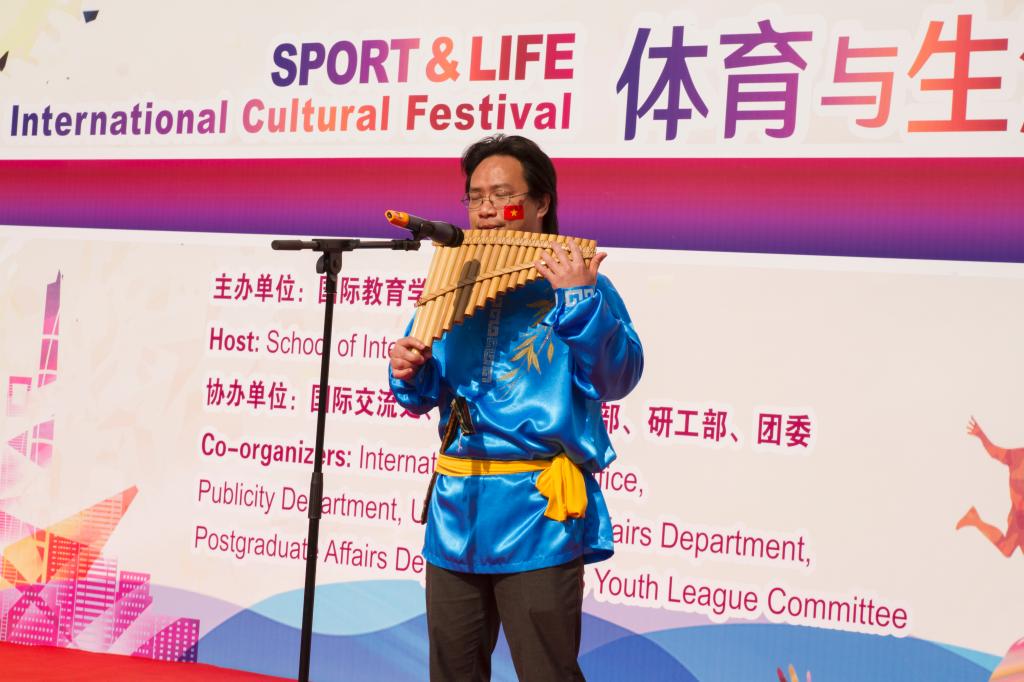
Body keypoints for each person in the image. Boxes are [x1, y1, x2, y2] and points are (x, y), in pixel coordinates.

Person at [388, 134, 644, 681]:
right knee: (452, 672)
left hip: (537, 512)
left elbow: (617, 378)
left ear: (541, 202)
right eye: (475, 197)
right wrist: (408, 368)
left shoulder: (587, 286)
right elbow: (423, 391)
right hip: (457, 506)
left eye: (502, 196)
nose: (486, 210)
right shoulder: (456, 282)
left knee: (546, 672)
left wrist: (580, 301)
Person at [956, 416, 1024, 557]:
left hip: (1019, 518)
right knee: (1007, 548)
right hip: (1018, 517)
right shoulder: (1016, 455)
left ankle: (974, 519)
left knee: (1007, 549)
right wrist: (981, 435)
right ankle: (974, 519)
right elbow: (995, 452)